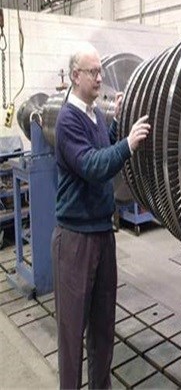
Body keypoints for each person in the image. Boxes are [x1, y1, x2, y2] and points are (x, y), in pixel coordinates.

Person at [51, 44, 150, 389]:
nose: (100, 77)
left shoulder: (93, 115)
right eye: (93, 72)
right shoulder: (68, 119)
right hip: (75, 240)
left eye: (100, 71)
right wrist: (128, 145)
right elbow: (92, 165)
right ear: (75, 76)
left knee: (103, 330)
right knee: (71, 335)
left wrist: (118, 122)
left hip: (102, 235)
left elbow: (102, 147)